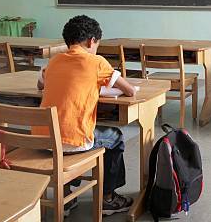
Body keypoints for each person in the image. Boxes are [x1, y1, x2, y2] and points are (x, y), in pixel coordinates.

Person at [34, 15, 136, 216]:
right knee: (115, 137)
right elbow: (130, 91)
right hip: (72, 140)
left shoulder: (54, 61)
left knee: (68, 130)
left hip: (41, 139)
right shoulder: (96, 62)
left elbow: (40, 84)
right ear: (91, 41)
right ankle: (108, 198)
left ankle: (65, 198)